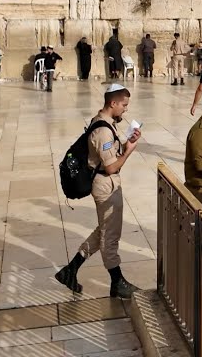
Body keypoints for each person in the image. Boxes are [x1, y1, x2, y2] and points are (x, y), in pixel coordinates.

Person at [54, 84, 141, 299]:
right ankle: (117, 281)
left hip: (104, 182)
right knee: (110, 236)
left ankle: (70, 270)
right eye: (124, 105)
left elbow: (108, 154)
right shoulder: (103, 130)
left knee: (103, 230)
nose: (125, 109)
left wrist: (126, 142)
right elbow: (112, 166)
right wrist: (129, 151)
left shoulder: (103, 123)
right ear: (113, 103)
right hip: (106, 186)